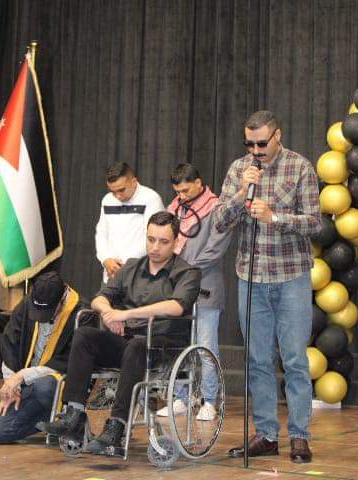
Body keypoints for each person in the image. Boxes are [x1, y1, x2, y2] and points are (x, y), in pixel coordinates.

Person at [37, 211, 201, 456]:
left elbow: (176, 306)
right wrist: (108, 314)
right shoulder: (132, 267)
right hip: (130, 343)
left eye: (163, 241)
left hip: (165, 347)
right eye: (151, 239)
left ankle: (117, 425)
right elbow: (99, 298)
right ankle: (74, 414)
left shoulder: (188, 272)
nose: (155, 247)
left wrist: (124, 314)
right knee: (85, 335)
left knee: (137, 345)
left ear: (176, 242)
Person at [214, 110, 322, 463]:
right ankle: (266, 435)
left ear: (278, 136)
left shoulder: (300, 167)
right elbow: (219, 222)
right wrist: (242, 191)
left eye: (262, 143)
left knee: (294, 360)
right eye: (250, 143)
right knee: (257, 360)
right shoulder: (239, 169)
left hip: (291, 277)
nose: (256, 150)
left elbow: (315, 223)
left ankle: (300, 436)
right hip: (251, 277)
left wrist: (274, 217)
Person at [155, 163, 231, 421]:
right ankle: (181, 397)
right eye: (177, 192)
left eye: (186, 191)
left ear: (199, 183)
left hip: (205, 287)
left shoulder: (217, 208)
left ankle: (210, 401)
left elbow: (215, 250)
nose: (181, 196)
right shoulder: (175, 208)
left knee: (205, 348)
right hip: (177, 289)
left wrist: (184, 270)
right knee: (178, 344)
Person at [0, 271, 91, 444]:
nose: (41, 318)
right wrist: (12, 387)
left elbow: (70, 361)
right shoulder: (28, 302)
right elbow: (9, 344)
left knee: (44, 387)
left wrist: (22, 376)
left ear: (62, 299)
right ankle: (50, 422)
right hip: (28, 386)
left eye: (47, 312)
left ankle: (71, 417)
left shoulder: (83, 313)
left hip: (58, 385)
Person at [95, 162, 165, 283]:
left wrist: (127, 264)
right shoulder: (107, 200)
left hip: (141, 276)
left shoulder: (151, 198)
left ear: (134, 182)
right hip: (111, 275)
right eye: (113, 191)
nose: (117, 196)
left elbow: (154, 237)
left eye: (121, 190)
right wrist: (105, 259)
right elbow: (101, 233)